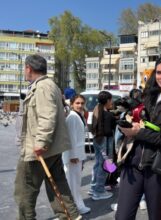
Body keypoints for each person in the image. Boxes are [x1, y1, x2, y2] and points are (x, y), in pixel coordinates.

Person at [116, 56, 161, 220]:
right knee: (122, 216)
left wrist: (139, 133)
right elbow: (134, 120)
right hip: (133, 163)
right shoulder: (145, 97)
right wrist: (126, 127)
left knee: (156, 216)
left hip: (159, 168)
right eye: (159, 72)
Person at [14, 54, 81, 219]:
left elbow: (47, 116)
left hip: (37, 150)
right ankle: (71, 216)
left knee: (25, 190)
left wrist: (41, 142)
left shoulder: (42, 87)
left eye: (24, 68)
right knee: (58, 184)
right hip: (52, 148)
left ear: (28, 68)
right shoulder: (50, 85)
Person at [62, 95, 91, 215]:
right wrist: (72, 155)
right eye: (77, 103)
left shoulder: (79, 116)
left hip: (77, 155)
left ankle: (76, 206)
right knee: (73, 183)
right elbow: (70, 138)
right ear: (72, 104)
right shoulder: (72, 117)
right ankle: (76, 207)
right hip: (73, 156)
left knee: (76, 182)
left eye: (82, 103)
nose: (80, 105)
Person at [89, 90, 115, 200]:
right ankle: (99, 191)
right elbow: (109, 130)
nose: (112, 102)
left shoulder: (97, 109)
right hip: (104, 141)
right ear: (108, 100)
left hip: (97, 139)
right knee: (105, 165)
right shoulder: (108, 115)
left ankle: (93, 187)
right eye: (111, 99)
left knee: (98, 163)